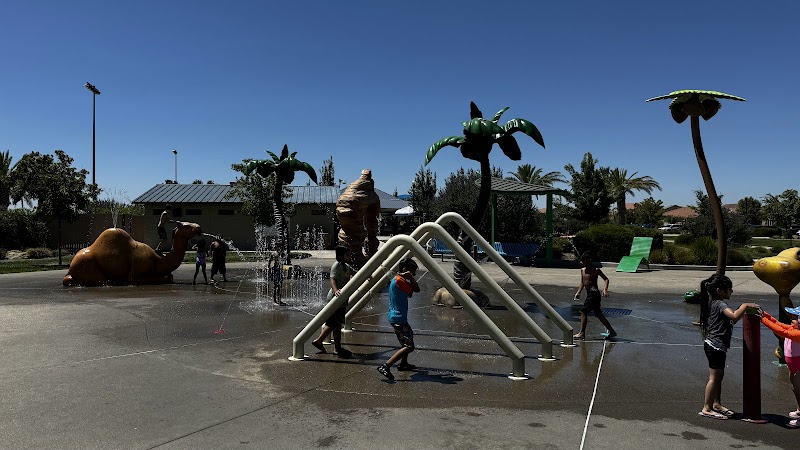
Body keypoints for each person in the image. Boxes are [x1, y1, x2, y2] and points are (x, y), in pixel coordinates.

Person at [698, 273, 760, 420]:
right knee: (715, 377)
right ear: (720, 290)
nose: (731, 291)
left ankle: (716, 403)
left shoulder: (714, 302)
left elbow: (730, 320)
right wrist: (745, 306)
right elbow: (733, 316)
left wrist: (739, 312)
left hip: (715, 345)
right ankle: (707, 407)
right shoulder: (720, 304)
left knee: (719, 376)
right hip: (715, 346)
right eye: (729, 289)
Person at [377, 257, 421, 380]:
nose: (415, 274)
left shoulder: (398, 280)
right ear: (405, 269)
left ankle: (403, 364)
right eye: (413, 271)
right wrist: (411, 278)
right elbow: (416, 289)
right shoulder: (399, 280)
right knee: (409, 346)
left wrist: (409, 279)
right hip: (399, 318)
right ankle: (386, 366)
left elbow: (410, 293)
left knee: (405, 342)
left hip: (397, 317)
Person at [311, 246, 355, 358]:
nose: (349, 257)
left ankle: (337, 348)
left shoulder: (346, 267)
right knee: (334, 323)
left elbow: (355, 273)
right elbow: (332, 279)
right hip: (335, 298)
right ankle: (319, 341)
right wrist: (335, 291)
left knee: (336, 324)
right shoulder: (337, 266)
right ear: (340, 256)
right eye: (347, 255)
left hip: (342, 299)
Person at [761, 306, 800, 427]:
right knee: (795, 389)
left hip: (798, 367)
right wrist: (765, 314)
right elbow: (779, 324)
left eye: (795, 317)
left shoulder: (798, 333)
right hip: (793, 366)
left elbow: (781, 331)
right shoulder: (794, 327)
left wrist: (762, 319)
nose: (791, 318)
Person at [573, 253, 615, 340]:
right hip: (589, 293)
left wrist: (605, 289)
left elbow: (606, 279)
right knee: (598, 314)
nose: (584, 263)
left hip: (594, 293)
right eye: (583, 261)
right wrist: (578, 292)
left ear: (590, 260)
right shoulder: (582, 270)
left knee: (583, 312)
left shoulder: (596, 270)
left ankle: (582, 333)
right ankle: (612, 331)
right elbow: (582, 282)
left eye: (585, 261)